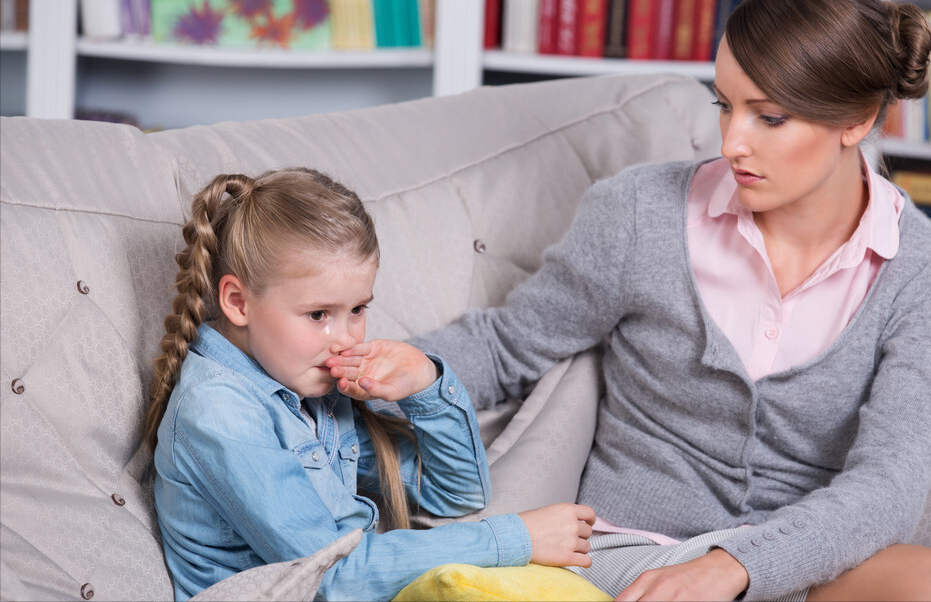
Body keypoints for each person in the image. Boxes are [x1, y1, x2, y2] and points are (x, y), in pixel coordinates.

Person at [365, 0, 931, 601]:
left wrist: (736, 564)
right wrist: (397, 371)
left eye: (770, 118)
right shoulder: (640, 213)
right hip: (634, 553)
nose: (733, 142)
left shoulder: (928, 270)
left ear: (859, 119)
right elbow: (511, 343)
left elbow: (890, 484)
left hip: (800, 562)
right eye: (725, 105)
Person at [145, 167, 596, 601]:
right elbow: (333, 576)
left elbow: (457, 494)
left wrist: (426, 385)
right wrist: (513, 539)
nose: (346, 339)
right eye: (319, 314)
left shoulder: (311, 391)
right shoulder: (220, 411)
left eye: (358, 309)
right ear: (238, 303)